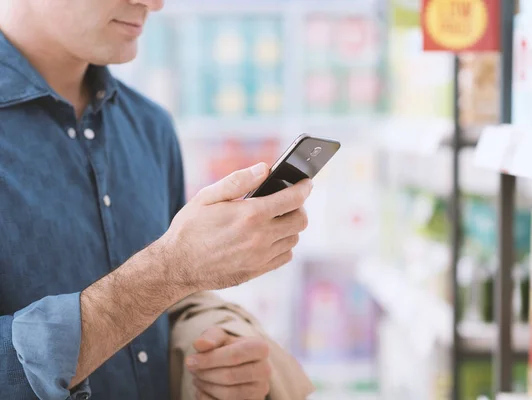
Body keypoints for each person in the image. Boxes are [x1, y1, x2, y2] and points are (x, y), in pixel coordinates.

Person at [0, 0, 312, 399]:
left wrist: (213, 356)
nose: (154, 3)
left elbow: (164, 308)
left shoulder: (151, 127)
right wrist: (171, 270)